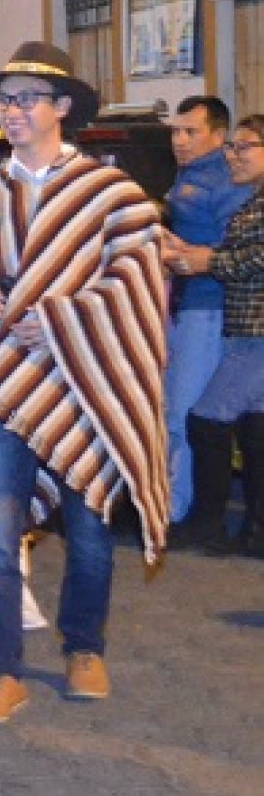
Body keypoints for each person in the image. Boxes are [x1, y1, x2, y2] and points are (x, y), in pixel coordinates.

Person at [0, 42, 168, 725]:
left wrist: (59, 321)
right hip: (4, 386)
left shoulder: (110, 194)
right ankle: (2, 670)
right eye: (5, 99)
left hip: (85, 386)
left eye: (28, 97)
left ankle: (84, 646)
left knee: (90, 529)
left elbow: (141, 281)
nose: (13, 109)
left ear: (63, 108)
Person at [164, 113, 264, 556]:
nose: (232, 155)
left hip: (255, 333)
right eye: (232, 147)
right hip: (244, 327)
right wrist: (194, 254)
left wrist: (211, 263)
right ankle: (254, 529)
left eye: (244, 146)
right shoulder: (251, 202)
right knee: (255, 427)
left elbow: (253, 256)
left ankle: (207, 523)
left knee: (205, 419)